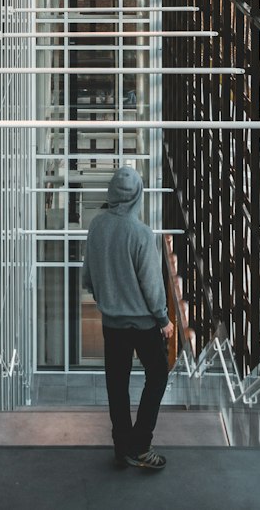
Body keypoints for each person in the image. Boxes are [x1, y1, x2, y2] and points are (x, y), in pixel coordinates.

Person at [82, 167, 174, 471]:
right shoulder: (141, 233)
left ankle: (122, 446)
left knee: (117, 384)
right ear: (138, 196)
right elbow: (151, 284)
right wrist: (163, 319)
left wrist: (105, 298)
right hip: (143, 324)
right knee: (158, 374)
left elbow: (88, 275)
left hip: (112, 324)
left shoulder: (97, 226)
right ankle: (140, 443)